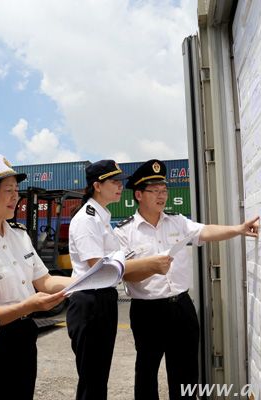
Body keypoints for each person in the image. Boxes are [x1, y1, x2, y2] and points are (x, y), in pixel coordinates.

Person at [114, 159, 260, 400]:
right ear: (139, 194)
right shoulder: (124, 231)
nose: (162, 196)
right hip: (148, 311)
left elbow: (205, 231)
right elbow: (126, 273)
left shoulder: (177, 221)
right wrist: (152, 267)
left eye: (164, 191)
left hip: (181, 307)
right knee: (147, 372)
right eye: (155, 191)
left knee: (186, 373)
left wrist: (238, 229)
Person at [0, 153, 73, 399]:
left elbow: (43, 281)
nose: (16, 197)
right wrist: (27, 305)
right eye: (8, 190)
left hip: (25, 336)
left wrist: (85, 281)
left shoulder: (20, 235)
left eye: (17, 190)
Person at [66, 160, 173, 400]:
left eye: (119, 182)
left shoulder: (102, 217)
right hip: (89, 302)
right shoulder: (87, 219)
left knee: (99, 375)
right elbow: (98, 267)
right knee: (92, 379)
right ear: (97, 186)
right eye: (113, 182)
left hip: (102, 299)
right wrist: (146, 265)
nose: (119, 186)